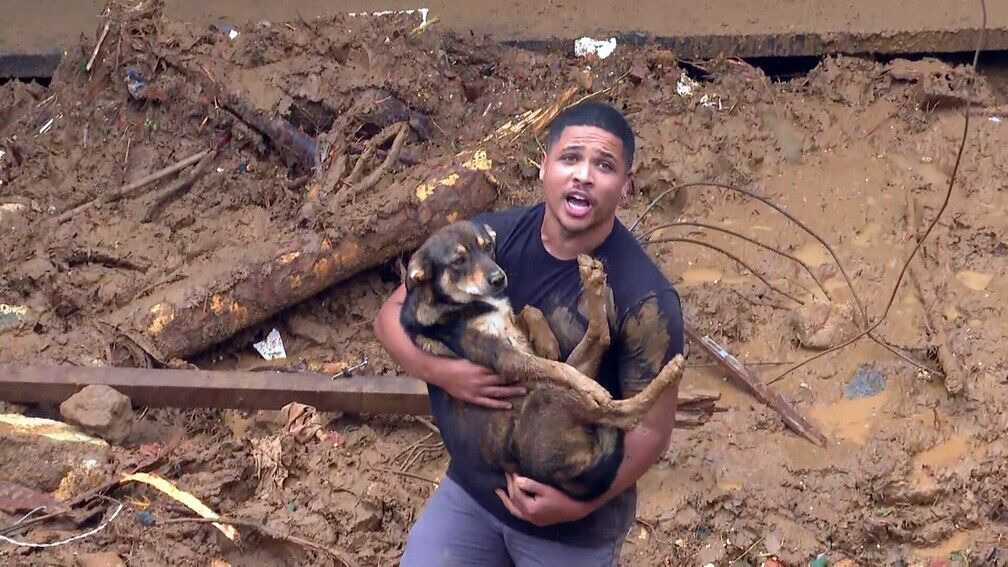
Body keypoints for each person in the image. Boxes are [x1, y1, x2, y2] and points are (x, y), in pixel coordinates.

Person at [374, 101, 685, 566]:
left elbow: (653, 430)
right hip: (474, 494)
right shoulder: (490, 240)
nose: (583, 175)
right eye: (569, 158)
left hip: (571, 528)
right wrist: (442, 373)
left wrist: (577, 505)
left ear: (626, 184)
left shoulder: (646, 297)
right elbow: (391, 315)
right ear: (543, 167)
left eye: (603, 165)